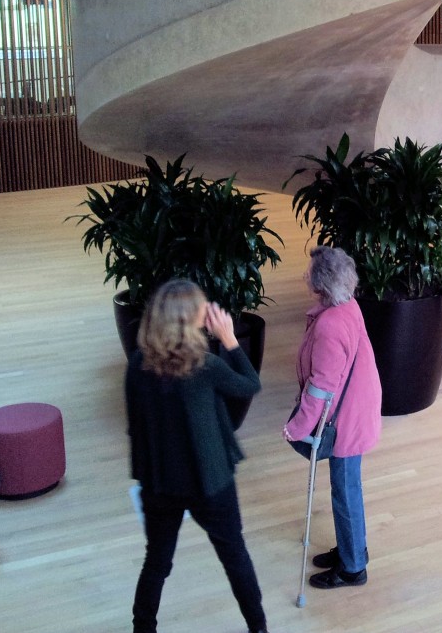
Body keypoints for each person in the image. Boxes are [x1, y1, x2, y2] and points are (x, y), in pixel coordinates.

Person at [125, 279, 268, 633]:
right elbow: (250, 385)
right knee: (234, 556)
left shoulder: (137, 365)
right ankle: (259, 629)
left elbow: (137, 426)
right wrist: (231, 340)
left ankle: (143, 628)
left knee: (156, 562)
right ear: (190, 319)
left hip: (159, 486)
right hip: (211, 483)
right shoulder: (204, 367)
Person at [283, 246, 382, 589]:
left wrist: (296, 428)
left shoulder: (329, 326)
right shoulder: (347, 307)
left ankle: (354, 567)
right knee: (346, 487)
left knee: (345, 490)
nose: (306, 275)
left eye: (309, 272)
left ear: (321, 285)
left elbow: (321, 390)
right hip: (356, 408)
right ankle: (350, 548)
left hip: (346, 422)